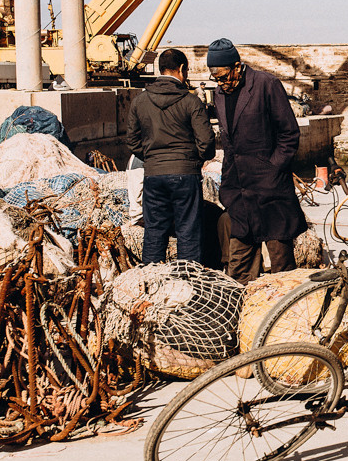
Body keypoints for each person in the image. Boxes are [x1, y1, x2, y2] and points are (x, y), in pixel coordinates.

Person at [208, 38, 306, 284]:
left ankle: (284, 314)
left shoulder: (266, 84)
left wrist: (272, 168)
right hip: (241, 191)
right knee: (239, 266)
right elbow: (229, 144)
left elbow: (289, 133)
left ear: (237, 67)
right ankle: (242, 313)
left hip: (271, 190)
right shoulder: (220, 94)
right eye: (215, 78)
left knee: (281, 265)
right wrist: (228, 184)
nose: (220, 83)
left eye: (223, 77)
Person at [125, 48, 215, 263]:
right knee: (188, 231)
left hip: (154, 175)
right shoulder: (191, 101)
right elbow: (206, 142)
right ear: (182, 69)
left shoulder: (140, 101)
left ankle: (152, 281)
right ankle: (188, 281)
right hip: (185, 174)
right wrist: (194, 160)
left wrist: (152, 158)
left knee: (154, 231)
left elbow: (132, 141)